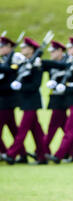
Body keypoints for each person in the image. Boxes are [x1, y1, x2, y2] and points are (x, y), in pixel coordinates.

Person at [3, 37, 48, 165]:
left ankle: (11, 154)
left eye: (25, 47)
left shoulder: (36, 63)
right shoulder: (24, 62)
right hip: (25, 100)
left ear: (31, 49)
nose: (22, 49)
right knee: (36, 131)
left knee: (22, 130)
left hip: (32, 101)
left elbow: (36, 84)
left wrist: (21, 86)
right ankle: (42, 155)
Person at [0, 36, 27, 162]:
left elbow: (11, 70)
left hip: (9, 97)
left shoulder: (16, 57)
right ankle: (21, 154)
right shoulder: (4, 59)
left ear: (9, 47)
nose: (0, 49)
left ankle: (7, 153)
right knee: (13, 128)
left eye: (3, 46)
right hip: (3, 97)